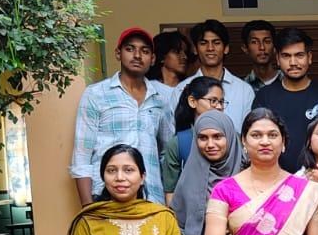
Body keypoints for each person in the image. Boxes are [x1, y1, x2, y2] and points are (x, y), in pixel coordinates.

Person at [71, 28, 172, 204]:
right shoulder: (96, 94)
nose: (137, 55)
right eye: (130, 49)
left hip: (151, 198)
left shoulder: (160, 99)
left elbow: (166, 154)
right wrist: (88, 209)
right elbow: (82, 155)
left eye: (145, 51)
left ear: (153, 59)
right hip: (106, 197)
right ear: (118, 53)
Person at [253, 28, 318, 173]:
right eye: (286, 56)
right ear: (277, 59)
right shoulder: (265, 96)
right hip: (275, 177)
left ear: (309, 57)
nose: (293, 62)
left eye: (299, 55)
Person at [183, 19, 254, 133]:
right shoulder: (182, 89)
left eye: (216, 43)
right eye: (203, 43)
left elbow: (250, 132)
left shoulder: (244, 90)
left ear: (226, 48)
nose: (210, 48)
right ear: (195, 49)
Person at [160, 77, 226, 191]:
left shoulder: (232, 138)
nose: (219, 107)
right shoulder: (179, 143)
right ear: (192, 101)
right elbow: (170, 192)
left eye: (221, 102)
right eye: (213, 101)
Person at [148, 31, 196, 111]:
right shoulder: (149, 88)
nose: (184, 56)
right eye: (177, 52)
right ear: (162, 56)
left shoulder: (190, 88)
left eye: (185, 52)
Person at [241, 19, 279, 90]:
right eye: (254, 42)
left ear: (274, 46)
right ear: (245, 48)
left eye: (267, 41)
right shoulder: (242, 87)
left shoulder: (287, 80)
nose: (262, 47)